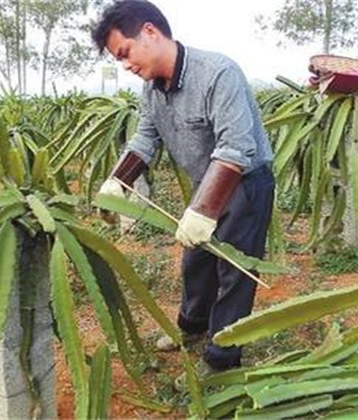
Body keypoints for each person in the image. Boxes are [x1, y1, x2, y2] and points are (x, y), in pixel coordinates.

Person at [92, 0, 275, 372]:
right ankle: (191, 328)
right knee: (196, 261)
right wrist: (117, 182)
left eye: (124, 53)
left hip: (245, 182)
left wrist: (204, 209)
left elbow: (236, 148)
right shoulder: (152, 91)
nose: (125, 65)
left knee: (233, 272)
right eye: (119, 60)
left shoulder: (217, 73)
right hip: (206, 181)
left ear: (149, 32)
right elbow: (144, 139)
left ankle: (223, 357)